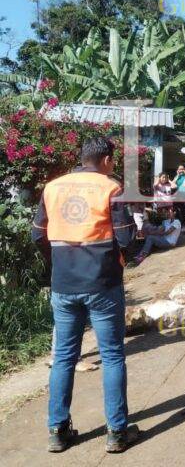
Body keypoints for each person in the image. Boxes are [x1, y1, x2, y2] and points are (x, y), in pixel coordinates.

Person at [31, 137, 139, 453]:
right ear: (106, 159)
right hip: (102, 284)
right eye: (113, 160)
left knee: (64, 357)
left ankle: (58, 430)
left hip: (63, 284)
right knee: (112, 355)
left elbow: (37, 234)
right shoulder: (111, 187)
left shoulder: (53, 187)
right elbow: (126, 239)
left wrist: (61, 260)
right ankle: (117, 432)